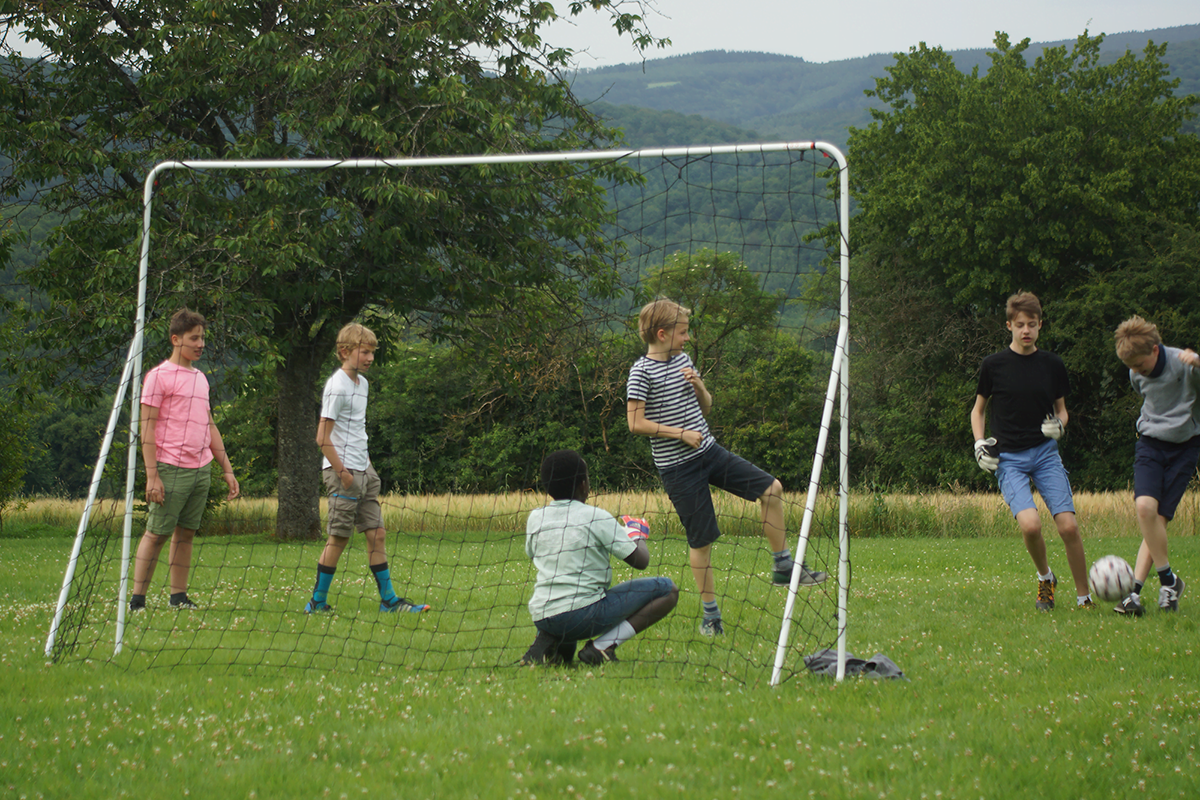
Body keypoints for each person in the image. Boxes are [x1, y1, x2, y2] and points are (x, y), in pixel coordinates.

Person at [625, 298, 825, 638]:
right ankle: (711, 618)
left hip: (709, 451)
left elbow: (706, 406)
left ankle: (783, 566)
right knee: (702, 541)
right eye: (683, 332)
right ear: (662, 333)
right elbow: (635, 423)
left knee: (772, 489)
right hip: (678, 468)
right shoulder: (641, 372)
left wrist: (700, 386)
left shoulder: (684, 360)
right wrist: (679, 434)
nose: (688, 339)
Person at [970, 292, 1092, 611]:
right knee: (1031, 526)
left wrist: (1060, 425)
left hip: (1045, 454)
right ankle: (1045, 579)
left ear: (1040, 326)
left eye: (1032, 325)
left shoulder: (1052, 364)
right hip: (1009, 458)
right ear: (1009, 325)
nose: (1026, 330)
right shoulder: (993, 365)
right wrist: (979, 443)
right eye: (1020, 325)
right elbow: (978, 411)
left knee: (1068, 526)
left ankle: (1084, 597)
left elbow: (1062, 411)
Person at [305, 322, 429, 614]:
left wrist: (367, 468)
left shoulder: (364, 384)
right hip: (342, 473)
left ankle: (390, 602)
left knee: (377, 534)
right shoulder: (337, 386)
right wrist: (344, 473)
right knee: (339, 537)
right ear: (345, 351)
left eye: (373, 352)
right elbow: (322, 437)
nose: (370, 358)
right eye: (365, 352)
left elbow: (356, 430)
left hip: (364, 470)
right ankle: (317, 602)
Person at [520, 449, 678, 666]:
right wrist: (637, 534)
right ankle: (602, 647)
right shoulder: (595, 516)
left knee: (564, 661)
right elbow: (641, 561)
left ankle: (549, 642)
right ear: (584, 485)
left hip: (542, 614)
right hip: (580, 616)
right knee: (667, 589)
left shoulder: (535, 518)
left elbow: (532, 552)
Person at [130, 308, 239, 611]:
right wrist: (153, 476)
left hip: (200, 469)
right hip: (169, 468)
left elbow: (210, 425)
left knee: (186, 534)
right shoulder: (158, 377)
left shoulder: (201, 379)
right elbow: (147, 429)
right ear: (176, 339)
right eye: (194, 338)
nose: (200, 344)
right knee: (156, 533)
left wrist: (226, 470)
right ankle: (137, 601)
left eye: (203, 338)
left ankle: (178, 597)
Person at [1111, 316, 1199, 616]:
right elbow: (1147, 398)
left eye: (1141, 366)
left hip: (1185, 448)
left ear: (1156, 350)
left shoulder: (1185, 364)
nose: (1138, 373)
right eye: (1132, 368)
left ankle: (1134, 594)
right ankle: (1168, 581)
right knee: (1145, 508)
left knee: (1158, 519)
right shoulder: (1135, 373)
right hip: (1149, 443)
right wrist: (1137, 370)